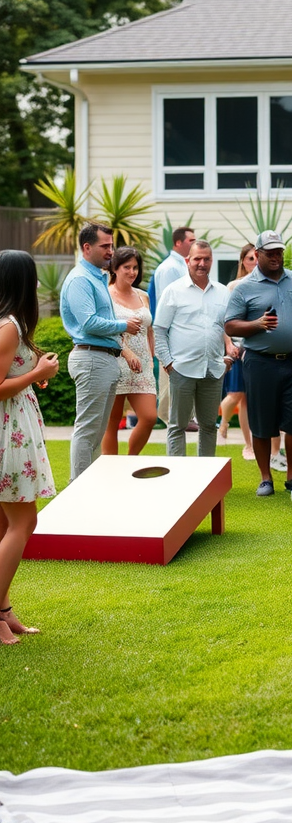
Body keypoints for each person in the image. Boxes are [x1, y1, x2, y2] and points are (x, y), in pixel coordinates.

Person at [225, 229, 292, 497]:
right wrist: (257, 324)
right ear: (257, 254)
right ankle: (266, 478)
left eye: (280, 252)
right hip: (259, 362)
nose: (276, 257)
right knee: (262, 422)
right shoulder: (244, 287)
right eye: (270, 252)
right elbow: (230, 324)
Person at [0, 251, 59, 644]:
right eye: (33, 278)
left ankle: (4, 613)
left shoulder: (12, 325)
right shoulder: (8, 327)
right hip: (9, 431)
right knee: (24, 523)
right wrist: (37, 372)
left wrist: (31, 370)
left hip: (14, 425)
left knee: (7, 525)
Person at [60, 223, 140, 480]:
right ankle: (78, 488)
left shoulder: (96, 276)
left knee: (96, 431)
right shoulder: (80, 279)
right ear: (87, 247)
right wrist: (123, 325)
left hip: (103, 358)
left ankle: (88, 485)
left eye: (111, 245)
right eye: (104, 246)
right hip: (91, 357)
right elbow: (88, 322)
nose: (110, 251)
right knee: (87, 430)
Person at [154, 240, 237, 457]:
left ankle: (205, 479)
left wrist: (228, 357)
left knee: (209, 426)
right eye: (197, 259)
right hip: (181, 369)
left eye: (206, 259)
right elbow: (159, 330)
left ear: (212, 261)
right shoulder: (173, 291)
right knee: (177, 426)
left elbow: (229, 328)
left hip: (213, 369)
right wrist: (168, 362)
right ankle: (178, 477)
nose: (202, 263)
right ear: (187, 260)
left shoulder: (222, 292)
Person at [102, 247, 157, 456]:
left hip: (142, 366)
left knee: (149, 417)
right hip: (115, 361)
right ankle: (111, 471)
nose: (132, 272)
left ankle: (130, 459)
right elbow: (104, 330)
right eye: (127, 267)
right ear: (115, 268)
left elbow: (149, 329)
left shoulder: (143, 296)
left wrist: (150, 356)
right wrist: (125, 350)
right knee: (112, 422)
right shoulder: (105, 295)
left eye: (135, 268)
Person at [149, 226, 196, 427]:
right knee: (171, 378)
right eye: (191, 241)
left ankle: (184, 418)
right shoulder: (170, 268)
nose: (194, 244)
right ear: (178, 243)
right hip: (171, 332)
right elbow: (167, 303)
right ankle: (172, 419)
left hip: (184, 332)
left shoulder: (182, 266)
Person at [218, 243, 258, 461]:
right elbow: (223, 319)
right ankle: (223, 423)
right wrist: (228, 345)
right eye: (250, 258)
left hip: (257, 348)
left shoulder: (266, 284)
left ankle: (249, 445)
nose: (254, 262)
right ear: (243, 261)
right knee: (236, 395)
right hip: (237, 348)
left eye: (256, 257)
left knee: (247, 400)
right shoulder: (234, 286)